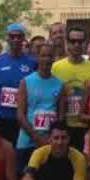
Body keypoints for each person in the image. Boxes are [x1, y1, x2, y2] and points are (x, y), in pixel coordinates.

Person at [16, 36, 62, 167]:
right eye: (43, 56)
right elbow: (20, 115)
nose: (46, 59)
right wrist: (36, 137)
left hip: (51, 142)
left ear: (54, 58)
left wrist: (51, 138)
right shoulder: (26, 81)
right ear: (37, 57)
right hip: (27, 141)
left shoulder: (60, 84)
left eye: (49, 56)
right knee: (25, 176)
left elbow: (61, 116)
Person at [53, 26, 90, 151]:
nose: (76, 44)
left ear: (85, 43)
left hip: (85, 126)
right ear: (67, 43)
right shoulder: (56, 67)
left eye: (80, 41)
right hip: (63, 126)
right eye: (73, 41)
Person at [0, 24, 38, 145]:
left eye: (19, 36)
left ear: (23, 39)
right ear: (7, 38)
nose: (16, 39)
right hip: (2, 118)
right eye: (12, 36)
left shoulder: (32, 62)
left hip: (24, 119)